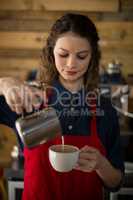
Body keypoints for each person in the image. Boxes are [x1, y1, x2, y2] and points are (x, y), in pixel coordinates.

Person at [0, 13, 124, 200]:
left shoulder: (104, 110)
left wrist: (101, 165)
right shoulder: (29, 99)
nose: (71, 64)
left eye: (81, 56)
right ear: (51, 53)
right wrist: (4, 83)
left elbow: (115, 183)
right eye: (63, 54)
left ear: (92, 57)